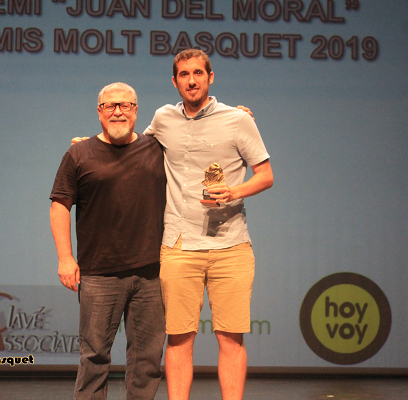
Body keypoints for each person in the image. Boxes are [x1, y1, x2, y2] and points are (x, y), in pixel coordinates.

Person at [145, 49, 273, 400]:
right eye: (184, 74)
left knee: (231, 338)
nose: (192, 80)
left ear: (210, 77)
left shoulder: (237, 119)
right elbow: (134, 152)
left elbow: (265, 176)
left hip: (230, 247)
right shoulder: (163, 118)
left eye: (198, 73)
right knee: (178, 338)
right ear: (174, 81)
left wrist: (233, 191)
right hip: (179, 246)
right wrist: (94, 145)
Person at [50, 82, 167, 400]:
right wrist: (65, 257)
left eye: (125, 105)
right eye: (110, 106)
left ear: (136, 110)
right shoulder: (79, 153)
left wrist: (234, 118)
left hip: (152, 274)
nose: (118, 111)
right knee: (94, 359)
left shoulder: (156, 149)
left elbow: (200, 145)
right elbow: (60, 204)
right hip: (98, 274)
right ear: (99, 112)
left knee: (147, 362)